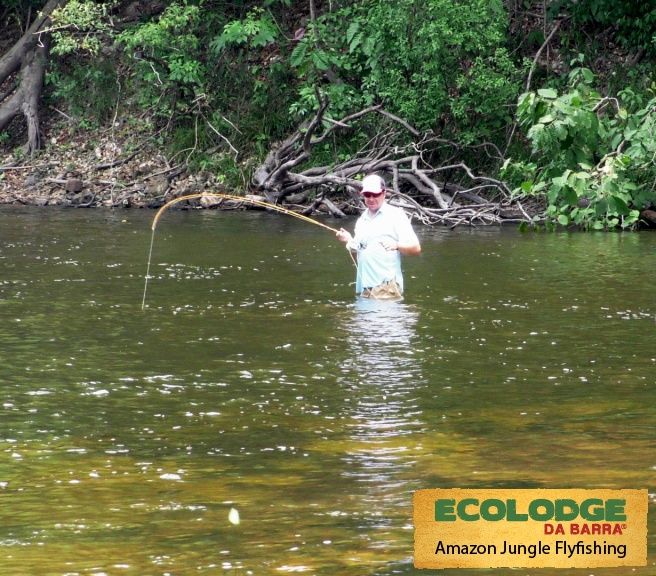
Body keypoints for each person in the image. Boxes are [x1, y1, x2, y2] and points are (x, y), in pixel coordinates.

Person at [336, 174, 421, 299]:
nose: (371, 198)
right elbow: (358, 254)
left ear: (384, 193)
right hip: (364, 289)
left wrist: (397, 246)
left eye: (375, 194)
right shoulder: (361, 221)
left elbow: (416, 248)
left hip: (386, 288)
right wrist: (349, 240)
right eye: (367, 195)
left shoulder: (396, 215)